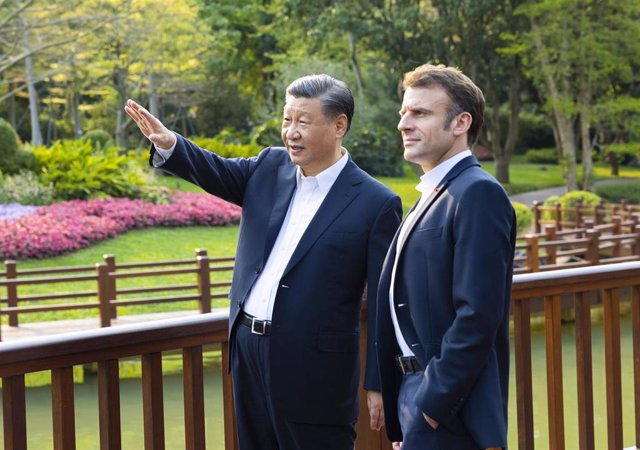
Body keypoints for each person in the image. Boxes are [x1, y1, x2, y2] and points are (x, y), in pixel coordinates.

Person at [125, 74, 402, 450]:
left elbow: (386, 300)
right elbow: (214, 169)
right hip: (248, 352)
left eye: (303, 121)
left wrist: (379, 382)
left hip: (315, 371)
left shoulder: (376, 202)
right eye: (287, 120)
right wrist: (170, 143)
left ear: (340, 126)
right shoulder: (270, 167)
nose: (291, 132)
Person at [373, 64, 516, 450]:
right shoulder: (431, 193)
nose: (404, 123)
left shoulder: (478, 194)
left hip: (450, 408)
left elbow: (477, 316)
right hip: (414, 394)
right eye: (403, 112)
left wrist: (429, 409)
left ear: (460, 123)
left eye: (420, 113)